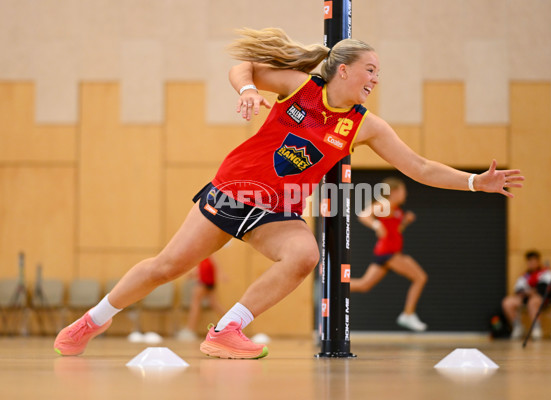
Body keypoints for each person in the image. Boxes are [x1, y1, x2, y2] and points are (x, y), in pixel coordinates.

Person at [54, 27, 524, 359]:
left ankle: (226, 329)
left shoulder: (364, 125)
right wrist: (246, 91)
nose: (376, 78)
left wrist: (472, 182)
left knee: (303, 255)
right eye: (370, 69)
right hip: (233, 190)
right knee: (165, 267)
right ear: (343, 71)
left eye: (379, 72)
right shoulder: (299, 88)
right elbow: (246, 66)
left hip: (278, 210)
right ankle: (94, 319)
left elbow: (419, 167)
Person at [350, 177, 428, 331]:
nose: (405, 193)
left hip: (387, 252)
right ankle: (408, 314)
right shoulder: (385, 204)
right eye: (403, 190)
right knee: (420, 277)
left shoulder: (396, 209)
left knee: (364, 285)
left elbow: (395, 231)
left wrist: (405, 222)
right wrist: (376, 224)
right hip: (389, 252)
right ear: (394, 192)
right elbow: (364, 215)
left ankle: (335, 285)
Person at [501, 250, 551, 340]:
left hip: (542, 298)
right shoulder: (524, 276)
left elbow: (545, 288)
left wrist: (534, 291)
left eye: (534, 261)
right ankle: (517, 327)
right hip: (526, 298)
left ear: (538, 261)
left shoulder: (546, 273)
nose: (532, 263)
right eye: (530, 261)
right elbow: (518, 289)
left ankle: (536, 328)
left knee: (533, 302)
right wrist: (525, 293)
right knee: (507, 302)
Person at [176, 256, 226, 341]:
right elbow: (208, 264)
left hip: (205, 280)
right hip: (208, 279)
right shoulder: (207, 252)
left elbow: (211, 263)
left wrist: (220, 273)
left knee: (195, 304)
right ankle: (233, 323)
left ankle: (190, 330)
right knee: (214, 304)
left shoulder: (205, 251)